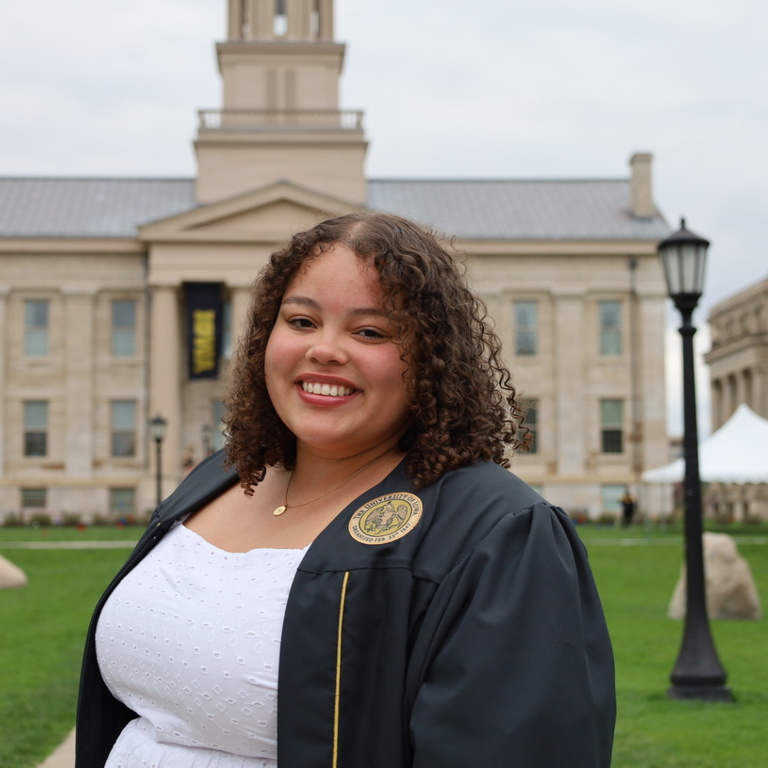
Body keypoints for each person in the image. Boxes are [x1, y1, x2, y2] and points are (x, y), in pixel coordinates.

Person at [76, 212, 615, 768]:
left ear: (432, 358)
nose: (325, 350)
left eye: (370, 331)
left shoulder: (494, 532)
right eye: (302, 321)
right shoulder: (222, 477)